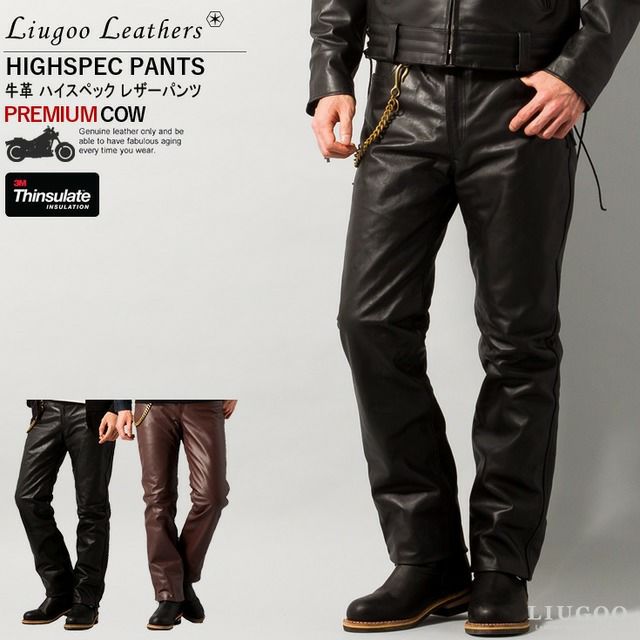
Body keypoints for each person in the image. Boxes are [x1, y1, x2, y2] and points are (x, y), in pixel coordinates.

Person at [308, 1, 639, 636]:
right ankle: (427, 559)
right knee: (369, 322)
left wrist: (579, 72)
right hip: (401, 94)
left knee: (518, 340)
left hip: (522, 98)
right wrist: (330, 71)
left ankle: (500, 566)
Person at [101, 400, 236, 631]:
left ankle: (180, 582)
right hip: (152, 404)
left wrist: (234, 385)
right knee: (157, 499)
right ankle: (168, 594)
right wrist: (121, 406)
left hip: (204, 400)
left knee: (212, 497)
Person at [15, 399, 131, 631]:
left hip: (93, 412)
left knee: (91, 508)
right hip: (47, 409)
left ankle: (86, 599)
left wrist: (114, 408)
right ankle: (60, 591)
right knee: (28, 498)